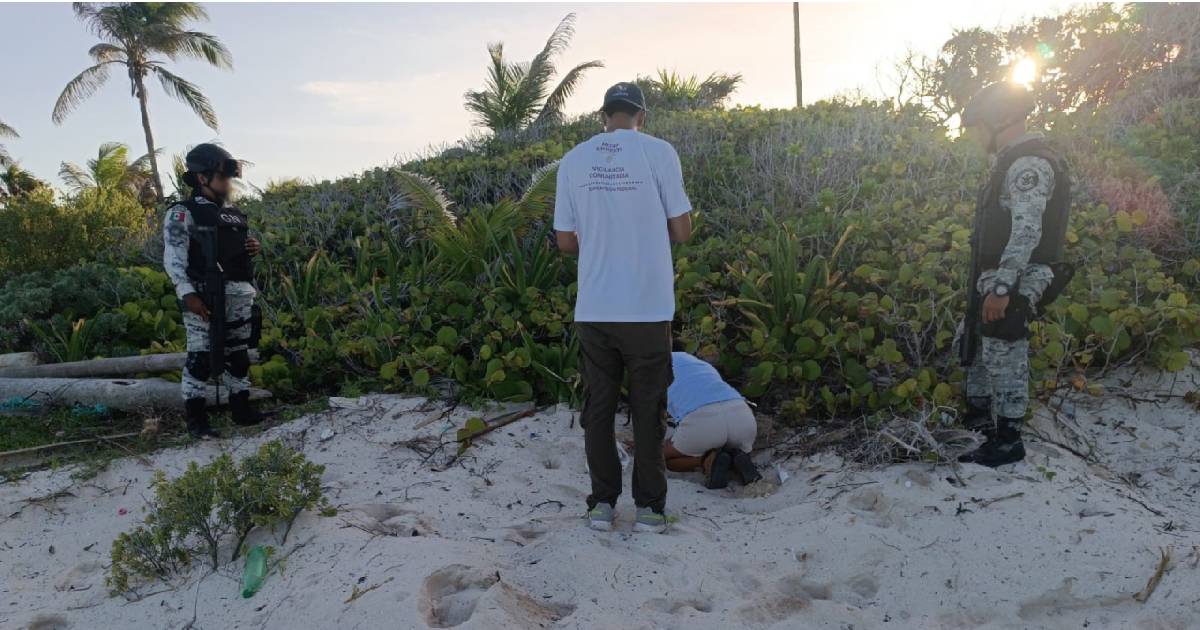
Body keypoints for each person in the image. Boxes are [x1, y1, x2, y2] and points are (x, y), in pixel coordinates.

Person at [554, 82, 693, 533]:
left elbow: (565, 242)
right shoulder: (659, 152)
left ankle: (601, 505)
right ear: (641, 116)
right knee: (649, 409)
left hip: (595, 308)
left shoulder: (573, 161)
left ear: (603, 116)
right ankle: (650, 509)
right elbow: (682, 230)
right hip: (648, 308)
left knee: (598, 409)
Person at [957, 82, 1072, 467]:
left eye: (979, 126)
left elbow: (1027, 231)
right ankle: (981, 421)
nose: (976, 135)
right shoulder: (1011, 161)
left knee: (1004, 343)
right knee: (977, 341)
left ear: (1000, 119)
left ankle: (1008, 440)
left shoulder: (1029, 165)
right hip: (999, 271)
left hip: (1021, 272)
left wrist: (1005, 286)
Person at [163, 143, 265, 439]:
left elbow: (233, 250)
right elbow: (173, 258)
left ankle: (241, 411)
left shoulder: (232, 213)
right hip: (205, 296)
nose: (228, 183)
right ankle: (197, 422)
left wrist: (252, 248)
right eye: (223, 176)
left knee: (238, 355)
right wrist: (188, 294)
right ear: (202, 178)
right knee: (201, 358)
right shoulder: (183, 212)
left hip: (239, 294)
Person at [664, 350, 761, 490]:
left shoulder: (652, 366)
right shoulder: (699, 364)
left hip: (701, 422)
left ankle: (706, 461)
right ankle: (736, 458)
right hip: (742, 415)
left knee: (659, 456)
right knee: (727, 445)